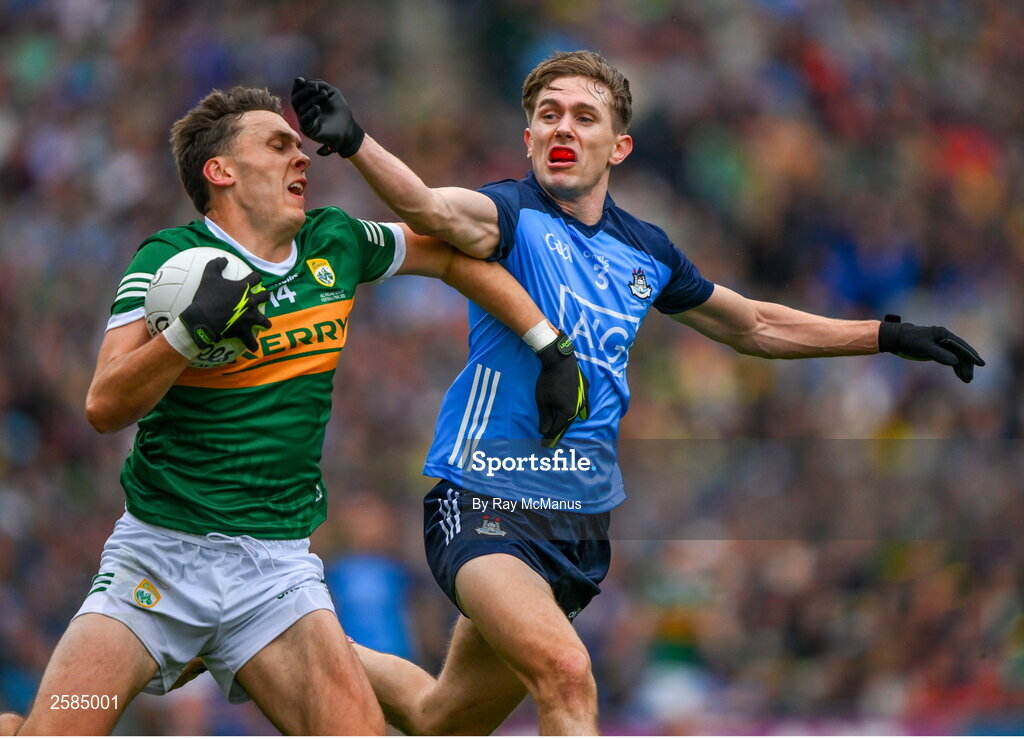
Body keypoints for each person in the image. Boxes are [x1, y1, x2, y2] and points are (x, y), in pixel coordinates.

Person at [290, 49, 985, 735]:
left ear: (618, 146)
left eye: (583, 117)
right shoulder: (507, 214)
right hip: (483, 500)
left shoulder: (647, 250)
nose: (563, 128)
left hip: (577, 528)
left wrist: (886, 335)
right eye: (548, 115)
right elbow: (428, 207)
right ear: (527, 138)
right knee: (567, 671)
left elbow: (752, 323)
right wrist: (354, 142)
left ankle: (274, 642)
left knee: (438, 717)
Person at [3, 85, 587, 735]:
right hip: (157, 567)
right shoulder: (168, 260)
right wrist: (184, 336)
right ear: (220, 171)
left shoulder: (333, 240)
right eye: (278, 144)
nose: (301, 156)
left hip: (275, 577)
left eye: (299, 144)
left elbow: (451, 252)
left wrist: (547, 344)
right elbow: (103, 404)